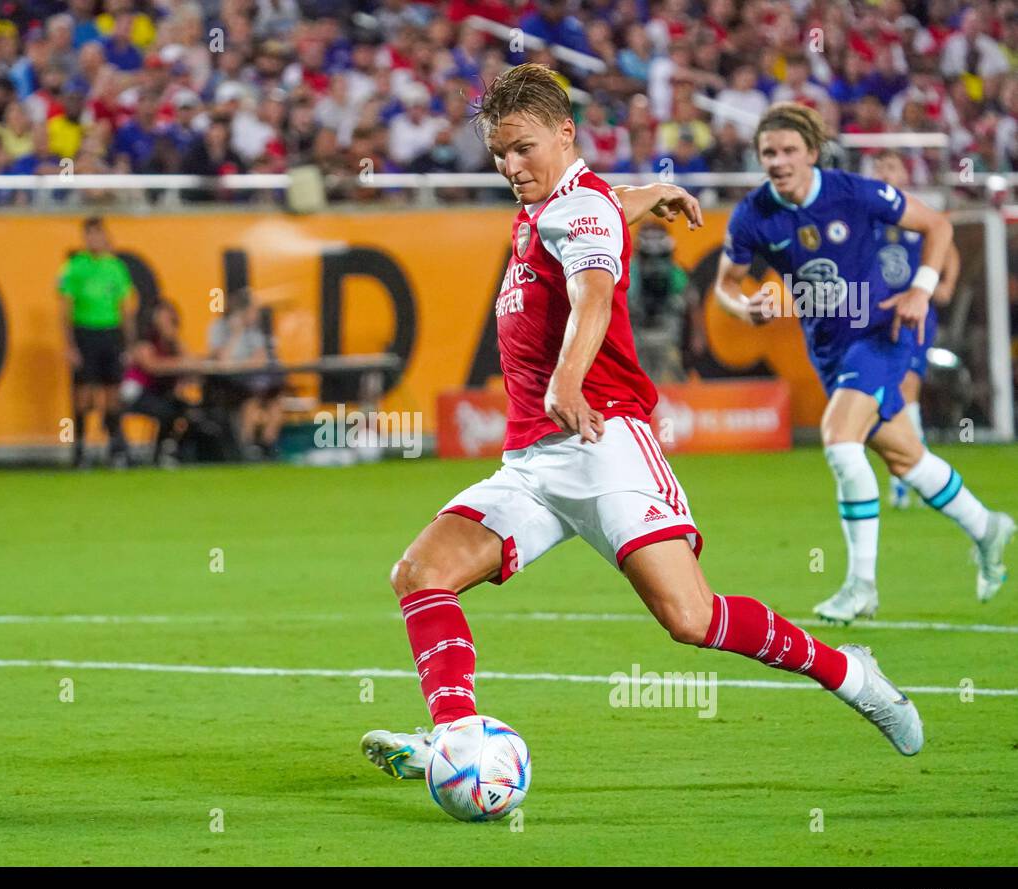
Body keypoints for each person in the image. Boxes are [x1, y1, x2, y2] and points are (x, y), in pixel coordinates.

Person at [360, 65, 925, 788]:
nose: (511, 166)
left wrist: (568, 377)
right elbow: (595, 210)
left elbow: (593, 291)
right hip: (535, 461)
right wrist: (648, 193)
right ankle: (457, 740)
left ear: (566, 134)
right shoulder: (564, 203)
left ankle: (850, 672)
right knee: (421, 574)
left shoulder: (578, 209)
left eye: (524, 148)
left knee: (691, 619)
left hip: (604, 444)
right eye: (500, 153)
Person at [715, 103, 1012, 619]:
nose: (779, 161)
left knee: (838, 439)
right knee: (904, 457)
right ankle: (988, 527)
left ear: (811, 152)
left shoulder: (853, 192)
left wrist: (920, 291)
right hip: (829, 349)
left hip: (882, 332)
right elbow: (725, 286)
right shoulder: (753, 215)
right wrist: (748, 308)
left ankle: (862, 586)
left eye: (789, 150)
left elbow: (937, 225)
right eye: (769, 152)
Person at [870, 149, 960, 510]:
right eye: (879, 166)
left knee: (908, 387)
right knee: (887, 395)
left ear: (904, 174)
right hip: (875, 315)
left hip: (913, 314)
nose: (884, 172)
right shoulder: (870, 213)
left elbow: (947, 247)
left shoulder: (917, 212)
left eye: (890, 166)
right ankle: (911, 472)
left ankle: (912, 479)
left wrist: (945, 284)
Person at [58, 217, 137, 467]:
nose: (94, 239)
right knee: (84, 396)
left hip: (110, 334)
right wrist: (69, 345)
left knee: (112, 394)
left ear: (105, 236)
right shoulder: (75, 267)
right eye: (89, 235)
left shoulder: (116, 268)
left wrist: (129, 344)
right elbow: (65, 309)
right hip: (85, 333)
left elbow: (125, 310)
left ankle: (116, 449)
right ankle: (80, 450)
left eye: (98, 234)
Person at [207, 290, 284, 461]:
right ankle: (245, 449)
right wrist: (236, 332)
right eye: (254, 310)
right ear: (242, 311)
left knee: (275, 402)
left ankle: (267, 447)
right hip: (227, 385)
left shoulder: (255, 332)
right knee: (250, 402)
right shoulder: (219, 327)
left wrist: (240, 364)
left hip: (252, 382)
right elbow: (222, 361)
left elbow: (261, 360)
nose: (257, 314)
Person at [121, 298, 195, 466]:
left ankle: (168, 450)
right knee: (166, 411)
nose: (166, 323)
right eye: (163, 319)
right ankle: (157, 453)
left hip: (158, 393)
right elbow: (153, 366)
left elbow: (189, 362)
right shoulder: (144, 343)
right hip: (137, 393)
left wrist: (175, 340)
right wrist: (179, 363)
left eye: (169, 320)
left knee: (189, 410)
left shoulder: (173, 344)